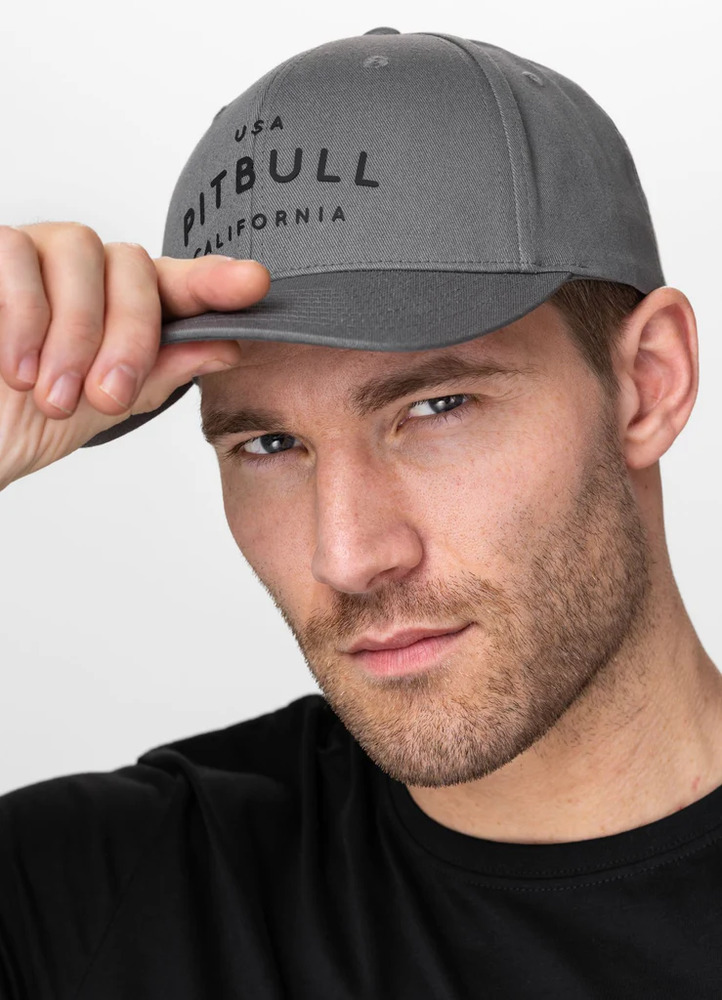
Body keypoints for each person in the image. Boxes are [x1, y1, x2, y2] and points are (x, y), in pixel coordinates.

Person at [0, 25, 720, 1000]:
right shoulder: (97, 903)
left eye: (435, 407)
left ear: (647, 382)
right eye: (268, 444)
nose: (347, 554)